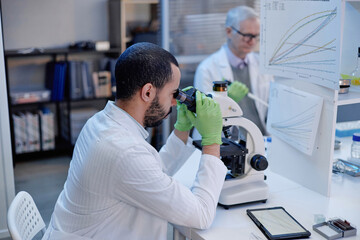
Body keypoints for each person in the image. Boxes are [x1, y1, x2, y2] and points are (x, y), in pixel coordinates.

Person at [42, 42, 227, 240]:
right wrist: (212, 141)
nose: (175, 102)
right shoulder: (125, 152)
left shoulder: (100, 122)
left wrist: (182, 129)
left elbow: (152, 173)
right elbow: (201, 214)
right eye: (173, 94)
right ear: (148, 92)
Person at [194, 6, 273, 135]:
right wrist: (227, 99)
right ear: (229, 31)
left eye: (256, 36)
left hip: (260, 138)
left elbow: (270, 107)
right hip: (227, 141)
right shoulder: (207, 69)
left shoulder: (261, 65)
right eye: (247, 35)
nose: (252, 42)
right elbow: (204, 117)